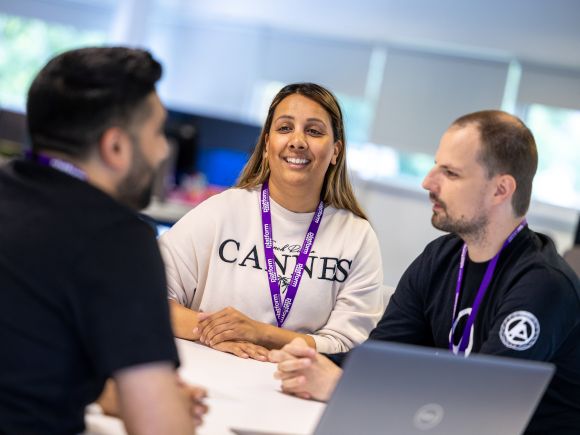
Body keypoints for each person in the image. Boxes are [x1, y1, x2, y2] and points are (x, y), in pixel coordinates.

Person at [270, 110, 580, 434]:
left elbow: (482, 408)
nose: (428, 182)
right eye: (435, 166)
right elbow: (382, 357)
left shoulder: (543, 285)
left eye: (450, 172)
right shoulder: (440, 257)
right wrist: (311, 363)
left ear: (500, 190)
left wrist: (340, 386)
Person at [0, 47, 206, 434]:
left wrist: (102, 393)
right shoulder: (118, 239)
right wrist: (166, 406)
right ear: (115, 147)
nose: (163, 149)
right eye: (158, 132)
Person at [159, 83, 385, 360]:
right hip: (210, 379)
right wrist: (214, 333)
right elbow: (149, 297)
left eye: (313, 131)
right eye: (285, 128)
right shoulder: (221, 211)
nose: (298, 141)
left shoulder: (356, 237)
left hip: (297, 390)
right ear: (267, 144)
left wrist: (261, 333)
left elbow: (350, 346)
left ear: (336, 151)